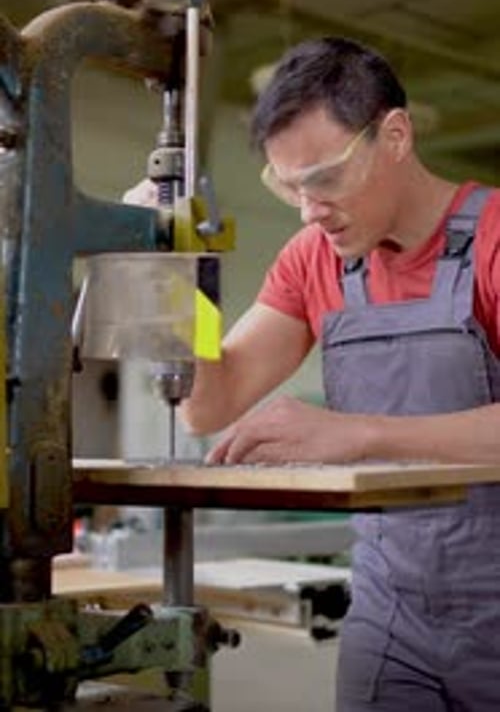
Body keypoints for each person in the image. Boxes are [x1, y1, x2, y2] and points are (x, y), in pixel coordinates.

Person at [125, 36, 500, 711]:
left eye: (324, 178)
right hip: (389, 616)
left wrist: (355, 435)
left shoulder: (495, 240)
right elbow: (208, 404)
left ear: (395, 135)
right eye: (289, 186)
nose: (308, 210)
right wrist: (174, 277)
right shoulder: (313, 258)